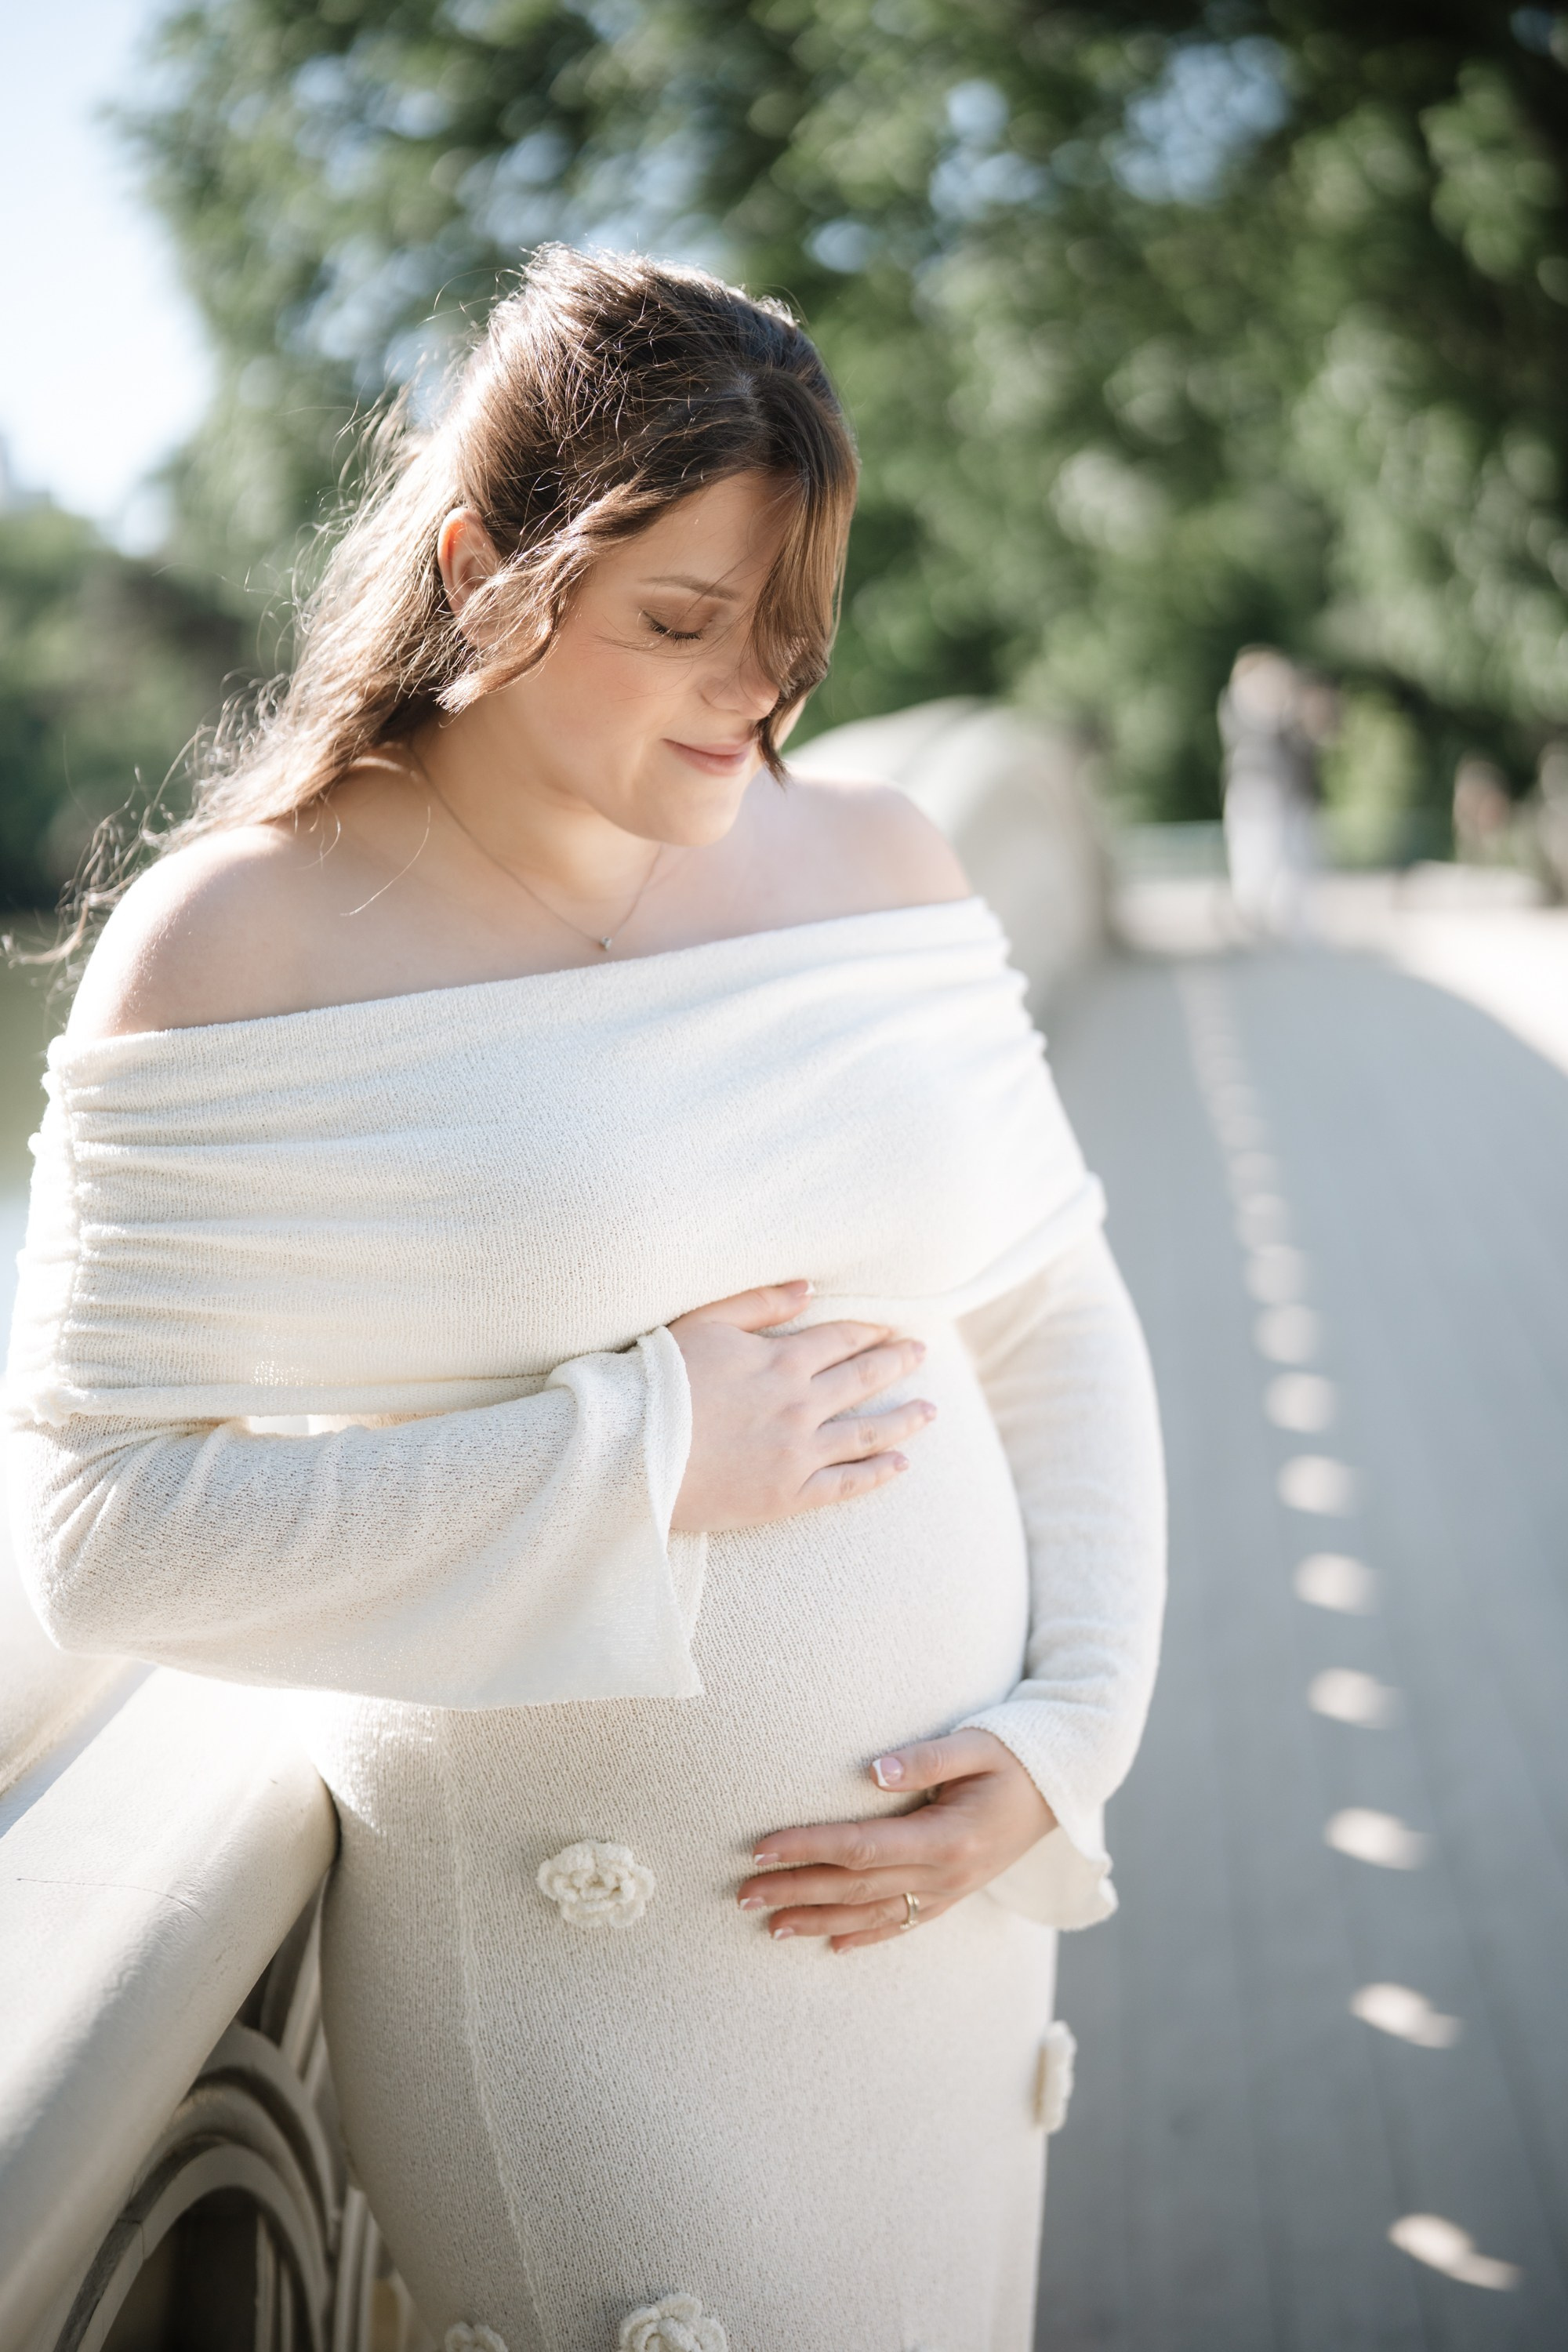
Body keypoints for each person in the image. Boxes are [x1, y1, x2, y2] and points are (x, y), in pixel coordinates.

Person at [5, 249, 1165, 2352]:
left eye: (790, 636)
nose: (754, 695)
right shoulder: (237, 948)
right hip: (590, 1991)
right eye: (679, 623)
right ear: (481, 569)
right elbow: (97, 1532)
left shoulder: (884, 858)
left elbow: (1047, 1313)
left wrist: (1066, 1735)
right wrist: (641, 1456)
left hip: (940, 1923)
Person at [1218, 646, 1334, 938]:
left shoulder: (1284, 712)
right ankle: (1250, 920)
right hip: (1254, 793)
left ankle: (1284, 925)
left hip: (1286, 797)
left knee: (1289, 862)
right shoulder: (1241, 705)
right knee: (1255, 860)